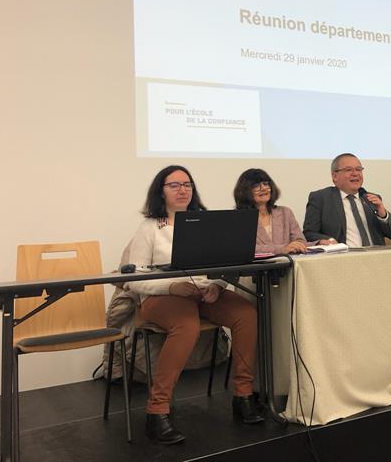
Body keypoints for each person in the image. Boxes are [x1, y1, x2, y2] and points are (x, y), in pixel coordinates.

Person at [127, 165, 263, 445]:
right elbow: (133, 280)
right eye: (174, 185)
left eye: (187, 184)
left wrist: (218, 286)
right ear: (160, 191)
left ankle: (243, 395)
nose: (182, 190)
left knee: (246, 314)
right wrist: (171, 287)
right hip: (160, 297)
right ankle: (157, 411)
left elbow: (223, 263)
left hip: (202, 293)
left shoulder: (205, 222)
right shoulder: (149, 227)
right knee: (186, 325)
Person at [303, 153, 391, 246]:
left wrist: (383, 214)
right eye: (348, 170)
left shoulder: (371, 199)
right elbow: (309, 233)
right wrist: (328, 241)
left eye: (358, 169)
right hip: (343, 256)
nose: (355, 174)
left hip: (375, 255)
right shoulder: (321, 198)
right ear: (335, 176)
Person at [233, 168, 309, 255]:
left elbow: (300, 241)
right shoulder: (238, 218)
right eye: (256, 186)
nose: (263, 188)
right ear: (245, 191)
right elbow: (243, 248)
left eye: (266, 184)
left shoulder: (285, 212)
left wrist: (299, 245)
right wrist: (281, 249)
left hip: (288, 263)